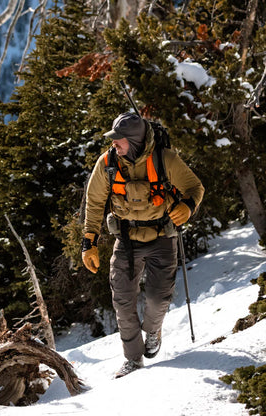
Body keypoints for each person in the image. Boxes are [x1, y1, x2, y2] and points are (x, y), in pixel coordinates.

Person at [82, 113, 204, 378]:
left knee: (158, 298)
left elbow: (194, 187)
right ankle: (133, 360)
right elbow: (93, 203)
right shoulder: (107, 164)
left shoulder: (165, 159)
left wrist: (187, 206)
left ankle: (153, 330)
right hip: (126, 240)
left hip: (162, 237)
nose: (114, 144)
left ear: (135, 141)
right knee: (123, 300)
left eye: (119, 140)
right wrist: (88, 243)